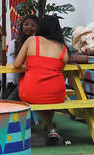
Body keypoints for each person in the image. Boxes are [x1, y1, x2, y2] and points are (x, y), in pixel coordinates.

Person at [13, 15, 73, 144]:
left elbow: (17, 64)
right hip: (56, 93)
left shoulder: (32, 40)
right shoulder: (62, 47)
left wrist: (31, 65)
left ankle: (50, 125)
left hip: (32, 90)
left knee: (31, 87)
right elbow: (59, 67)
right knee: (48, 92)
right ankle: (51, 127)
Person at [3, 14, 40, 99]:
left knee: (12, 98)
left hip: (31, 79)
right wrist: (10, 81)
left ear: (38, 28)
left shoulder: (39, 43)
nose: (29, 27)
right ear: (21, 26)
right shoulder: (14, 43)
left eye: (33, 25)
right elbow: (10, 61)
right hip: (15, 77)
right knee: (6, 89)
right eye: (26, 24)